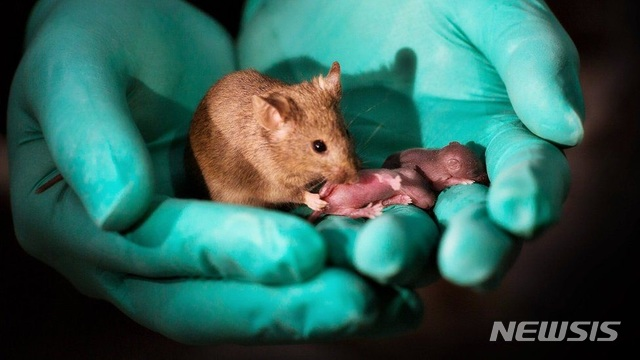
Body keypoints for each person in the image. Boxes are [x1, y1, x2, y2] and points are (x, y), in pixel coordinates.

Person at [6, 0, 583, 344]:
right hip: (227, 191)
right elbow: (280, 176)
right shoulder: (265, 136)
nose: (344, 162)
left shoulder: (318, 105)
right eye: (320, 147)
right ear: (274, 121)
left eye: (343, 143)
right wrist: (312, 196)